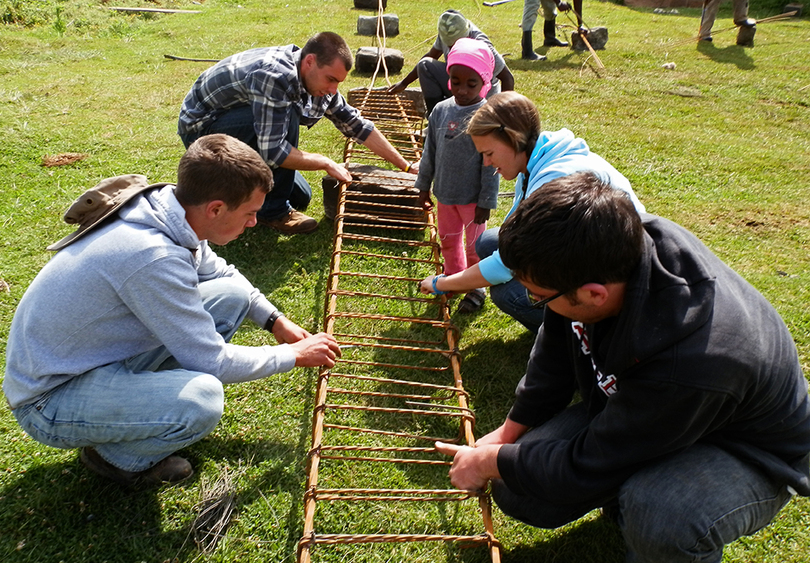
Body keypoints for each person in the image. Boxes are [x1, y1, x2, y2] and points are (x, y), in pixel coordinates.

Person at [435, 172, 810, 562]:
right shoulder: (604, 248)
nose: (534, 300)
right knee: (520, 487)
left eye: (538, 295)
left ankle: (655, 515)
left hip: (744, 448)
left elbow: (586, 464)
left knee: (661, 514)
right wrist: (507, 435)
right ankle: (634, 478)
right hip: (655, 409)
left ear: (595, 294)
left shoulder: (696, 360)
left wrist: (490, 461)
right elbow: (556, 346)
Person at [4, 134, 341, 487]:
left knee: (230, 295)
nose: (254, 222)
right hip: (50, 398)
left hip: (88, 359)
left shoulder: (170, 212)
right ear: (215, 208)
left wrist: (275, 321)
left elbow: (222, 274)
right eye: (251, 213)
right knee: (202, 400)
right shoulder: (154, 257)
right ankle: (114, 458)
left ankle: (144, 409)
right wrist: (291, 355)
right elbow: (212, 363)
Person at [418, 92, 644, 332]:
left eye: (489, 153)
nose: (486, 163)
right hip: (590, 255)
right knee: (489, 242)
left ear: (513, 138)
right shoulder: (536, 159)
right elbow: (511, 235)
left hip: (613, 282)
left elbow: (507, 263)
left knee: (506, 292)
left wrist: (443, 283)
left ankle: (572, 332)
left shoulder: (555, 179)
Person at [178, 32, 417, 235]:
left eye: (338, 83)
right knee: (288, 114)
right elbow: (273, 150)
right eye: (331, 79)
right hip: (203, 132)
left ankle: (260, 199)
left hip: (238, 127)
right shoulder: (275, 76)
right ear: (310, 61)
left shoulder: (317, 81)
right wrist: (324, 162)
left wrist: (405, 166)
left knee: (301, 196)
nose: (333, 90)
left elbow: (357, 125)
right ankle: (274, 213)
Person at [414, 38, 500, 314]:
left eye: (471, 84)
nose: (462, 89)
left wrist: (487, 200)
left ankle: (476, 288)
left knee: (476, 247)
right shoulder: (440, 111)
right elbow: (430, 152)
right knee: (449, 241)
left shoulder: (486, 115)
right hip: (445, 196)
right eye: (455, 81)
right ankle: (453, 280)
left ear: (484, 81)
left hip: (473, 201)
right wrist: (423, 185)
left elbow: (491, 164)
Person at [388, 9, 515, 116]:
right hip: (460, 85)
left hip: (482, 95)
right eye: (450, 45)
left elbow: (508, 77)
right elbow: (431, 56)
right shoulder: (448, 30)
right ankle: (437, 117)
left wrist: (502, 113)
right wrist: (404, 83)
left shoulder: (482, 46)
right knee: (425, 65)